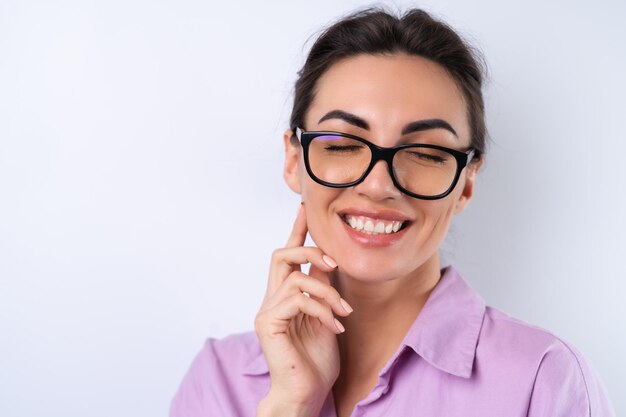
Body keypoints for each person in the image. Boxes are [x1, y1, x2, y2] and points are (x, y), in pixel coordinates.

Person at [170, 8, 615, 417]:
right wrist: (290, 404)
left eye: (426, 153)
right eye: (343, 144)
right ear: (294, 160)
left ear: (467, 181)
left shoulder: (543, 379)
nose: (378, 185)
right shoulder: (218, 379)